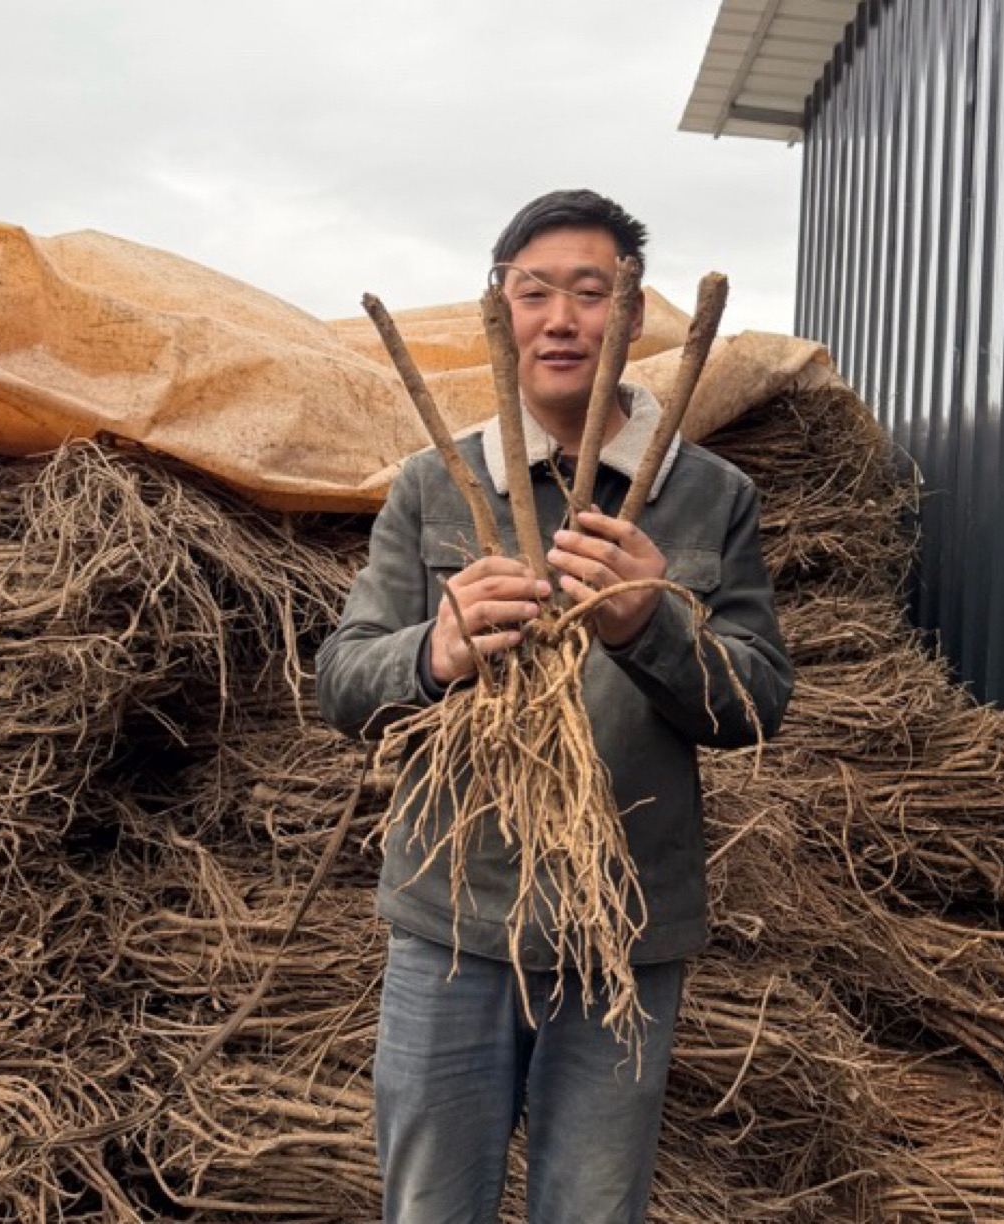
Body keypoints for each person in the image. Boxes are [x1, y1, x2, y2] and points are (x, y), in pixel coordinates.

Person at [316, 188, 793, 1224]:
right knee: (431, 1207)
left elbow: (756, 704)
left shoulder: (708, 496)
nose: (564, 319)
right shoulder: (435, 487)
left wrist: (646, 622)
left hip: (624, 930)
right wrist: (435, 652)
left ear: (635, 317)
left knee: (592, 1210)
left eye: (594, 292)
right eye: (536, 292)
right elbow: (341, 683)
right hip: (453, 921)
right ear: (501, 310)